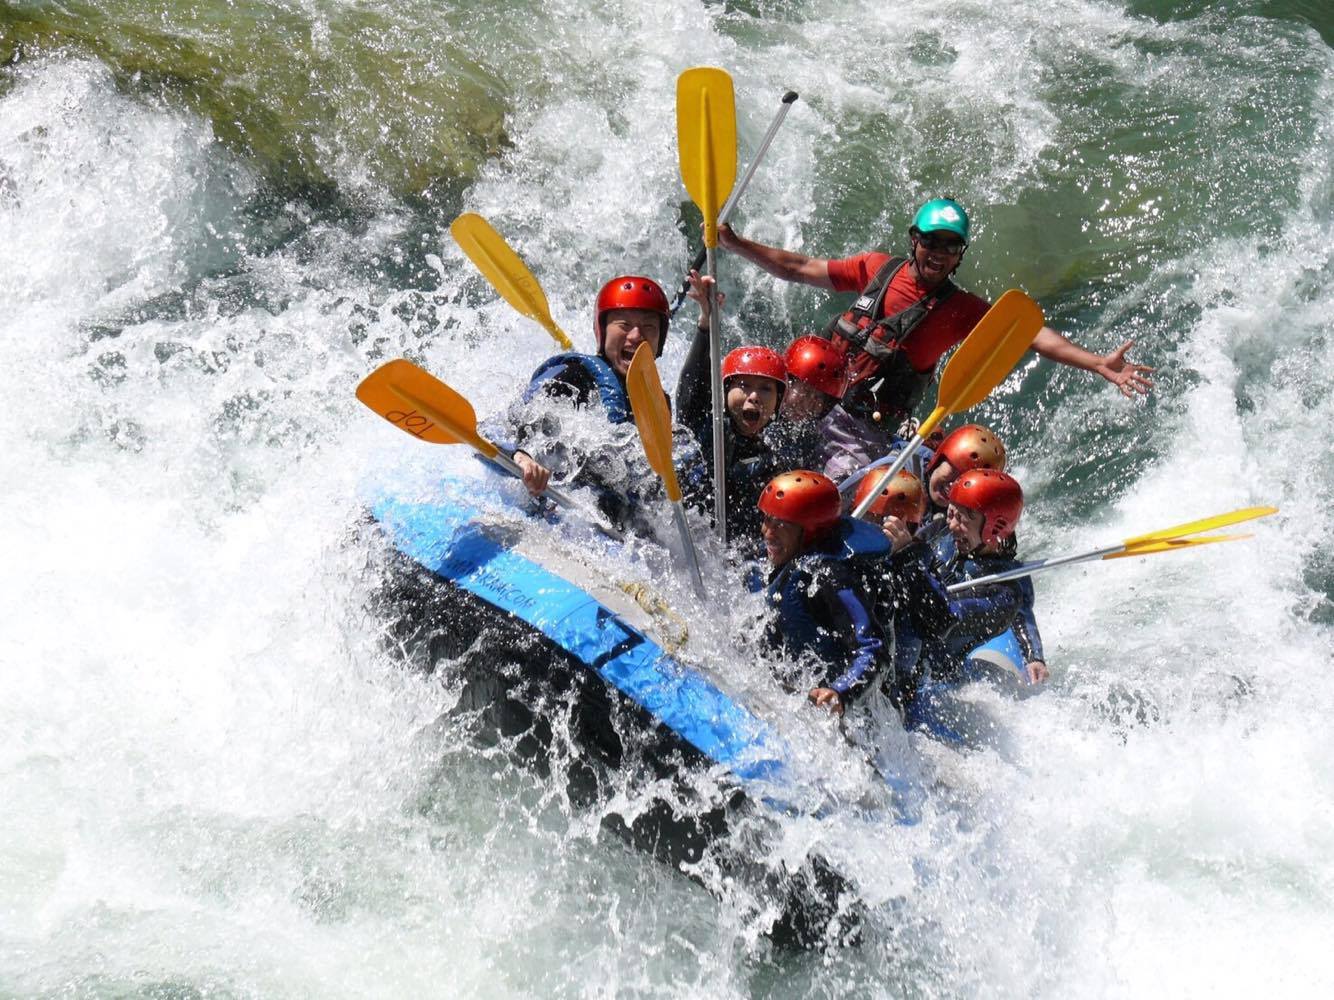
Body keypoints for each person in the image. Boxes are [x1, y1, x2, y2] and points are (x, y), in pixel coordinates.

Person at [717, 198, 1154, 478]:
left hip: (858, 434)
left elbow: (1029, 335)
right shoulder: (876, 268)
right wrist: (736, 244)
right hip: (806, 403)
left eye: (951, 247)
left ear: (960, 254)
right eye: (932, 242)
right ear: (914, 240)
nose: (939, 254)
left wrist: (1096, 362)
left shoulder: (960, 310)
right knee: (746, 437)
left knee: (828, 486)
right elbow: (799, 267)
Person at [500, 275, 670, 530]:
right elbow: (511, 421)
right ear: (601, 331)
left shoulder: (657, 403)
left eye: (649, 327)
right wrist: (523, 457)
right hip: (558, 507)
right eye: (624, 325)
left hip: (617, 528)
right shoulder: (573, 376)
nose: (637, 336)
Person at [885, 470, 1047, 715]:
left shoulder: (1003, 595)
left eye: (965, 517)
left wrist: (1034, 655)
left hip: (923, 680)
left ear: (995, 526)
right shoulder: (942, 530)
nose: (952, 524)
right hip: (891, 646)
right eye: (952, 512)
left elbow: (940, 619)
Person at [756, 470, 896, 716]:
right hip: (792, 687)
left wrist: (841, 692)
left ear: (809, 532)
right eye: (767, 519)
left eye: (781, 524)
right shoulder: (789, 556)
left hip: (835, 709)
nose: (768, 532)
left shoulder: (832, 578)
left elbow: (874, 649)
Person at [676, 272, 787, 540]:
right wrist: (707, 323)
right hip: (680, 532)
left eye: (765, 389)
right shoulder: (703, 424)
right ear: (724, 393)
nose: (754, 396)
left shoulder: (773, 461)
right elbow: (692, 386)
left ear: (777, 404)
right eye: (744, 386)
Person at [765, 334, 849, 475]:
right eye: (804, 392)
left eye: (818, 398)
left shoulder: (813, 436)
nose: (808, 406)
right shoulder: (761, 410)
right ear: (787, 383)